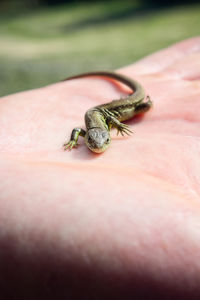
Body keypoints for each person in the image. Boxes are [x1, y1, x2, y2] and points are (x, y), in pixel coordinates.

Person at [0, 37, 200, 299]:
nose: (97, 146)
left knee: (144, 105)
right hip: (105, 113)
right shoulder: (90, 131)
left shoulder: (103, 126)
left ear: (105, 137)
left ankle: (143, 101)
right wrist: (73, 141)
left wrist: (118, 123)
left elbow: (105, 119)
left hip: (120, 108)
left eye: (101, 142)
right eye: (93, 142)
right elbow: (77, 130)